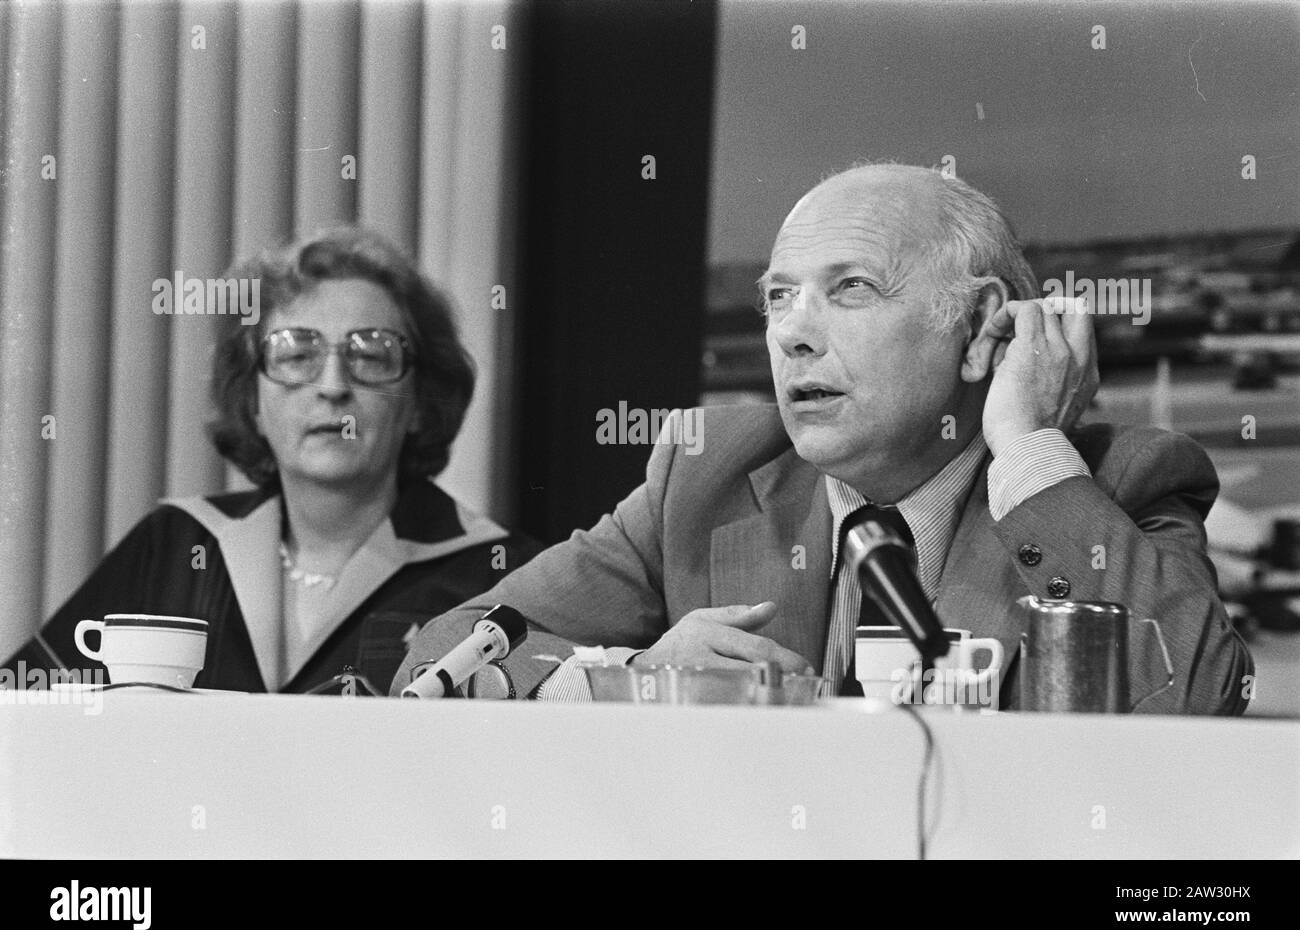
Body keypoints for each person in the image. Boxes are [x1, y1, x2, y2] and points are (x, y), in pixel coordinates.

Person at [392, 163, 1252, 714]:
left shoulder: (1111, 483)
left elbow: (1204, 696)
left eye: (850, 289)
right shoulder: (709, 474)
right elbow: (439, 658)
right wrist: (628, 677)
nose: (792, 336)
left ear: (982, 322)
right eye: (777, 297)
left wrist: (1027, 448)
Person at [8, 226, 539, 693]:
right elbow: (22, 713)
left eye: (372, 355)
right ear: (253, 400)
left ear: (420, 402)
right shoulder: (175, 547)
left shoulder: (500, 577)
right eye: (297, 355)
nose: (332, 387)